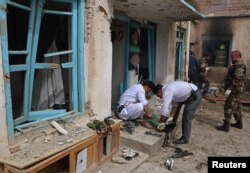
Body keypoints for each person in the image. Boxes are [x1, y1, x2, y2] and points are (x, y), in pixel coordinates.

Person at [216, 50, 246, 132]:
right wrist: (224, 85)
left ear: (238, 57)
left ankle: (226, 126)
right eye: (231, 57)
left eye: (233, 57)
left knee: (229, 106)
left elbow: (237, 80)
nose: (231, 58)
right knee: (236, 107)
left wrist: (229, 89)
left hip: (235, 90)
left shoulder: (240, 66)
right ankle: (239, 123)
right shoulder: (235, 65)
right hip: (235, 89)